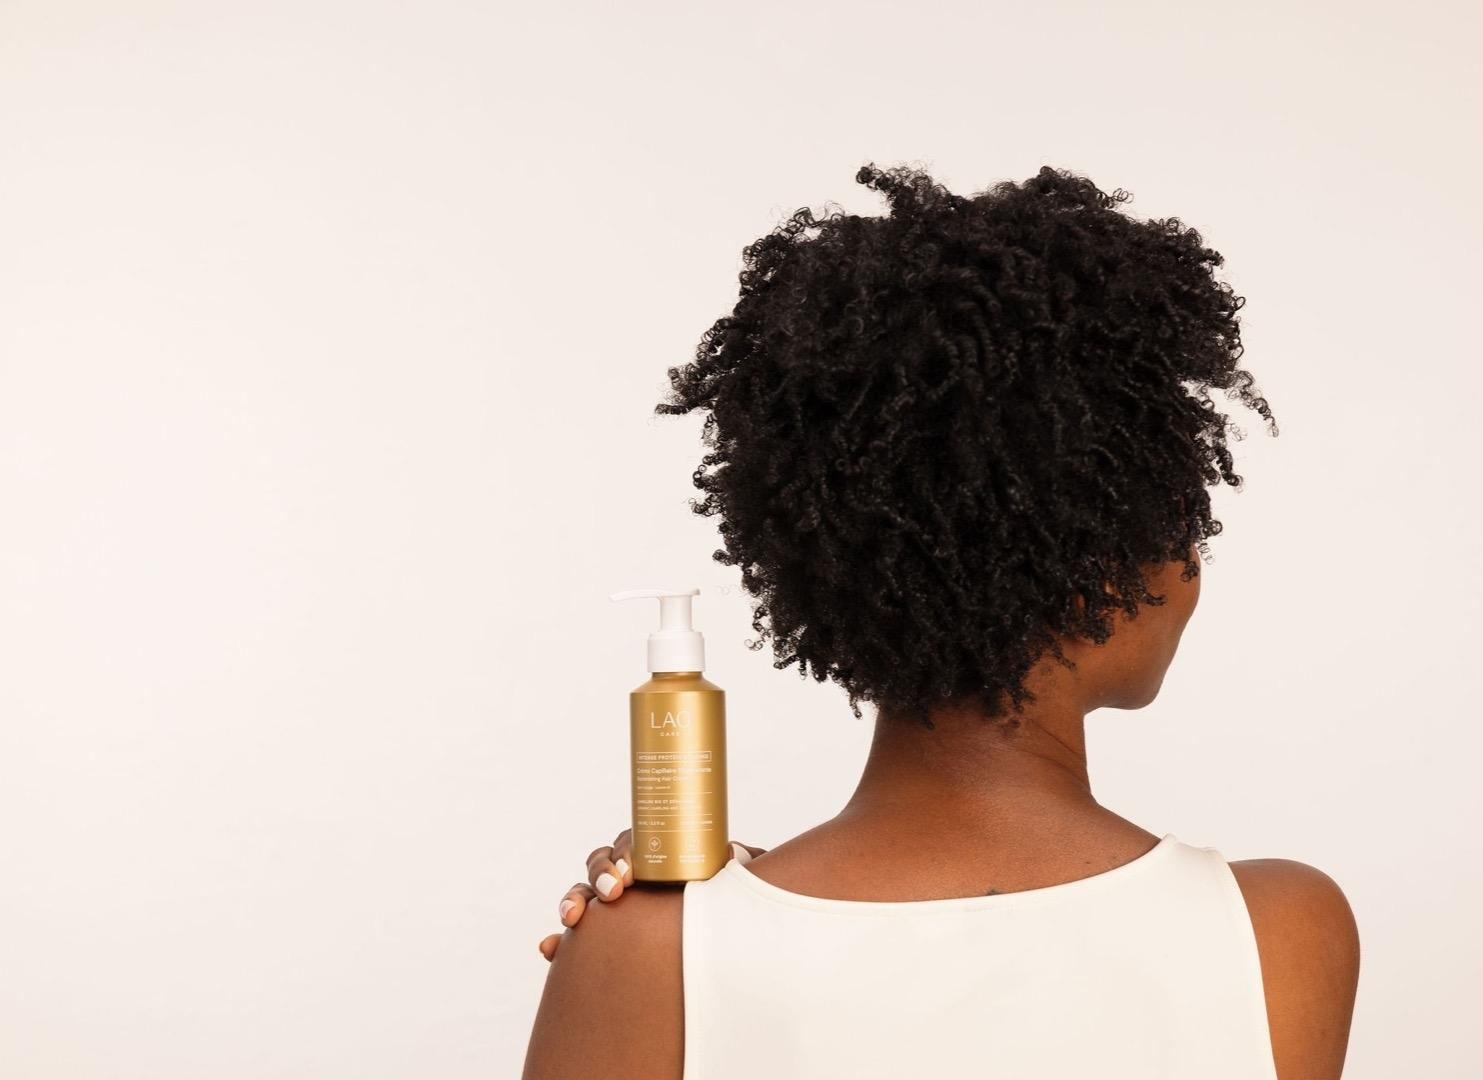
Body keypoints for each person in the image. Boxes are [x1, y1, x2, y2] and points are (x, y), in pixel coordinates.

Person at [521, 163, 1359, 1080]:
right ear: (1093, 578)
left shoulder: (648, 951)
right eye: (1177, 525)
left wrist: (688, 934)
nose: (1191, 563)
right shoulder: (1278, 932)